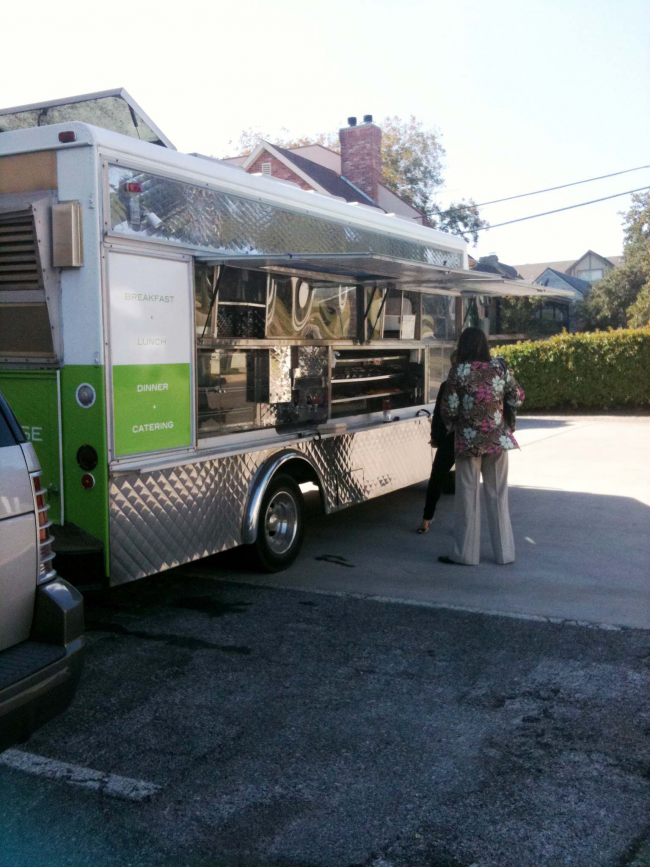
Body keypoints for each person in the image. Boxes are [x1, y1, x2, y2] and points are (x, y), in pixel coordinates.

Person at [439, 327, 524, 566]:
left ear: (463, 346)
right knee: (498, 496)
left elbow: (450, 409)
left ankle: (465, 555)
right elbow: (517, 396)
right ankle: (505, 554)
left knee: (467, 497)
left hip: (467, 440)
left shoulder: (458, 372)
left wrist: (454, 422)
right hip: (498, 439)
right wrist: (499, 410)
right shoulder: (500, 367)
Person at [417, 351, 457, 534]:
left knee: (437, 477)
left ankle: (426, 518)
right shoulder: (475, 384)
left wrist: (436, 436)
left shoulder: (447, 385)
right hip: (470, 438)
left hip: (450, 438)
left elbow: (439, 413)